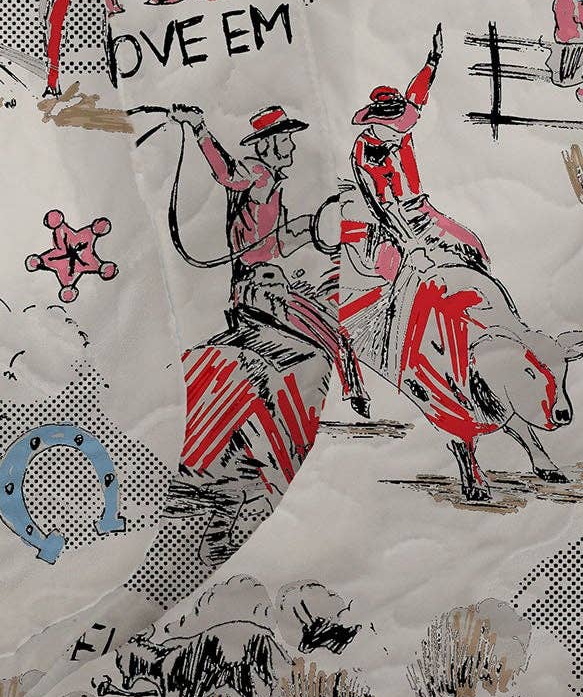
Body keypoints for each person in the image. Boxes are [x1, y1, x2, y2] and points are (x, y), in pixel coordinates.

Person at [170, 102, 370, 411]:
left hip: (269, 282)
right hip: (256, 288)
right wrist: (199, 128)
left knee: (329, 315)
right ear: (266, 144)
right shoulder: (258, 172)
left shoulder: (270, 185)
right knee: (327, 325)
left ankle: (350, 390)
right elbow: (226, 173)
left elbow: (276, 243)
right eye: (285, 139)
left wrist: (314, 229)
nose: (292, 145)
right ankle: (353, 392)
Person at [348, 28, 488, 281]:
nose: (402, 134)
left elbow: (416, 93)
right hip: (401, 220)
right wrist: (413, 246)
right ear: (377, 123)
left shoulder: (398, 132)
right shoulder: (366, 153)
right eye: (397, 129)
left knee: (474, 249)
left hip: (423, 209)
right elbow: (386, 206)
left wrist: (433, 59)